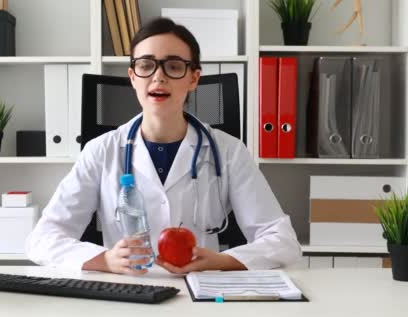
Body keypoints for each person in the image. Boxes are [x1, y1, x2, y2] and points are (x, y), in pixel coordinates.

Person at [25, 17, 301, 275]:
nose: (158, 77)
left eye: (173, 66)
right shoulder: (102, 151)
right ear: (133, 77)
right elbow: (43, 239)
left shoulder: (228, 152)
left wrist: (221, 261)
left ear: (194, 78)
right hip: (127, 295)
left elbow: (282, 241)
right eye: (146, 65)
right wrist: (105, 260)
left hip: (200, 293)